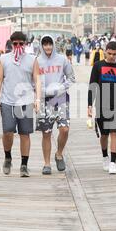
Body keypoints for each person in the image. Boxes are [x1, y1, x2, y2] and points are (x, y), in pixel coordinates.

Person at [0, 32, 41, 178]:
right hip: (7, 100)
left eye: (21, 43)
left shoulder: (32, 59)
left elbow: (37, 80)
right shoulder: (4, 58)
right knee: (8, 131)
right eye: (15, 44)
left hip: (25, 101)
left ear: (25, 44)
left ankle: (24, 165)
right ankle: (8, 157)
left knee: (24, 134)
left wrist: (37, 99)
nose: (18, 46)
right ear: (11, 44)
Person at [36, 35, 76, 175]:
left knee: (64, 129)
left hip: (60, 98)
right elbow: (32, 81)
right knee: (46, 133)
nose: (48, 47)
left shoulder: (62, 59)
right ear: (41, 45)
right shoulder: (37, 61)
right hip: (43, 100)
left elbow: (72, 78)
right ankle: (46, 164)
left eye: (50, 44)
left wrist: (61, 87)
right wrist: (38, 93)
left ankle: (59, 154)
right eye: (45, 44)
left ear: (53, 44)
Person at [88, 41, 116, 175]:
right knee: (104, 134)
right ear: (105, 51)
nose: (112, 56)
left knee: (114, 133)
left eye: (114, 54)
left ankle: (113, 162)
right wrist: (89, 104)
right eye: (109, 53)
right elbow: (92, 85)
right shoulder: (98, 66)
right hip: (101, 103)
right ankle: (105, 156)